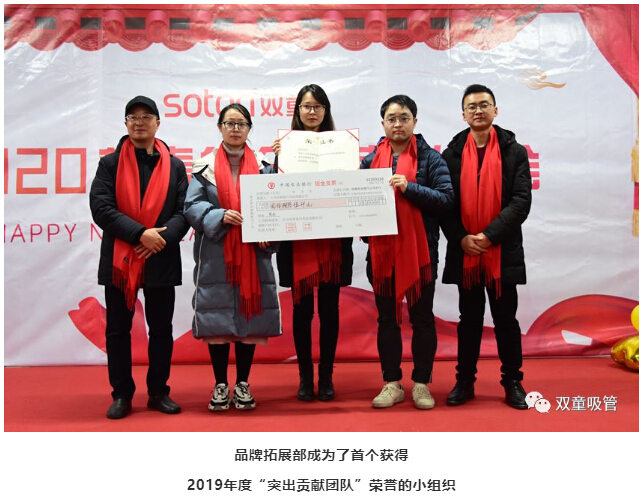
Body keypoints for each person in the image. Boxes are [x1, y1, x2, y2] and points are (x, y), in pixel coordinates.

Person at [90, 95, 189, 419]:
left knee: (160, 330)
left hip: (160, 255)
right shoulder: (109, 164)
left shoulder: (175, 166)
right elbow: (101, 208)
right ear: (125, 124)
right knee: (117, 331)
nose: (140, 122)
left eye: (147, 116)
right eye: (133, 117)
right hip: (122, 258)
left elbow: (183, 211)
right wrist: (139, 234)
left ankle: (159, 392)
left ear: (158, 123)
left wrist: (160, 238)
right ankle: (121, 394)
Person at [440, 84, 532, 409]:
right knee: (469, 320)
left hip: (501, 252)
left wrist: (489, 236)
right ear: (463, 114)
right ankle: (464, 381)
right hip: (465, 252)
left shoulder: (514, 152)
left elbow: (520, 202)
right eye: (472, 106)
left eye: (484, 105)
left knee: (506, 320)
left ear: (496, 110)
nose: (478, 111)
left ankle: (513, 382)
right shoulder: (450, 155)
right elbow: (445, 204)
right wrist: (462, 238)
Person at [185, 103, 281, 412]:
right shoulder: (203, 168)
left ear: (249, 128)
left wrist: (269, 232)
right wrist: (220, 215)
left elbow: (277, 205)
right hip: (217, 254)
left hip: (254, 254)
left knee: (249, 319)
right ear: (220, 127)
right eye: (230, 123)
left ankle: (242, 383)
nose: (235, 129)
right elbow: (191, 206)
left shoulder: (266, 167)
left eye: (241, 124)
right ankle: (219, 384)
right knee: (217, 320)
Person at [360, 95, 454, 409]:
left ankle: (422, 384)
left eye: (404, 118)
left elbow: (446, 199)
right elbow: (357, 206)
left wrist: (409, 187)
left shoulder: (431, 158)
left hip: (420, 255)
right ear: (383, 123)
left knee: (422, 320)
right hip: (382, 256)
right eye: (391, 118)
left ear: (415, 121)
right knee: (387, 320)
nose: (397, 124)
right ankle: (392, 383)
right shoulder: (370, 161)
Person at [271, 84, 354, 402]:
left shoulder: (342, 146)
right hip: (298, 242)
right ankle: (305, 377)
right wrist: (277, 161)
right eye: (306, 106)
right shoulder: (285, 147)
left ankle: (327, 377)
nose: (312, 111)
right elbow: (274, 192)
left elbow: (350, 188)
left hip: (332, 241)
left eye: (318, 106)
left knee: (330, 311)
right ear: (298, 110)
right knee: (302, 311)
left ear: (325, 111)